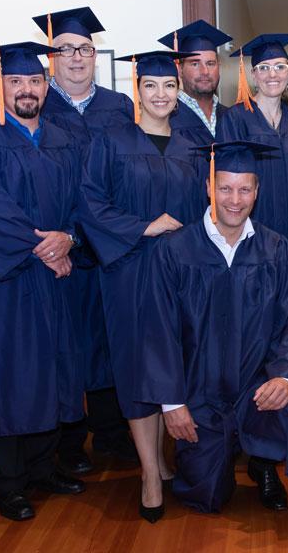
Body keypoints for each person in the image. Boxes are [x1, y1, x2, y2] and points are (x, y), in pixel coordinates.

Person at [136, 141, 288, 514]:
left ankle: (263, 463)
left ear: (257, 191)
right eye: (225, 188)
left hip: (257, 385)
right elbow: (159, 331)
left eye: (245, 188)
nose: (235, 199)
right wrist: (173, 402)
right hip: (200, 392)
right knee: (206, 496)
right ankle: (221, 448)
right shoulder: (175, 251)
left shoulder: (276, 249)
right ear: (208, 188)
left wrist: (285, 378)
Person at [0, 41, 86, 521]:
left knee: (55, 369)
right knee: (12, 374)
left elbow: (83, 203)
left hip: (59, 276)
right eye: (15, 81)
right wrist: (45, 250)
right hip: (6, 281)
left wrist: (69, 238)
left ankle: (43, 467)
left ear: (46, 86)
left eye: (34, 81)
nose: (26, 89)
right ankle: (8, 482)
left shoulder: (66, 139)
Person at [79, 50, 205, 523]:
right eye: (150, 86)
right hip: (129, 268)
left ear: (178, 92)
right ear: (138, 91)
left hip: (182, 273)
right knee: (136, 368)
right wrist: (144, 227)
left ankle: (167, 459)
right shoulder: (111, 141)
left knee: (176, 361)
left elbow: (208, 210)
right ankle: (150, 473)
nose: (159, 94)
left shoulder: (194, 144)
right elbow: (89, 203)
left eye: (168, 86)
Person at [31, 6, 136, 472]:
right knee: (67, 343)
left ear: (96, 55)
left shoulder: (119, 106)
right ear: (50, 57)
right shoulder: (35, 104)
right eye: (65, 49)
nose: (76, 57)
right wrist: (64, 237)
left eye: (85, 49)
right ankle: (68, 445)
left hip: (109, 244)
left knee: (113, 339)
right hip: (60, 248)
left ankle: (113, 435)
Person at [217, 34, 288, 274]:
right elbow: (227, 184)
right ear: (253, 75)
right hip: (251, 236)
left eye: (279, 67)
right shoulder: (235, 119)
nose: (272, 75)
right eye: (263, 68)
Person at [159, 20, 232, 172]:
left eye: (211, 63)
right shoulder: (165, 118)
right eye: (195, 63)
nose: (205, 71)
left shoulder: (232, 117)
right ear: (179, 69)